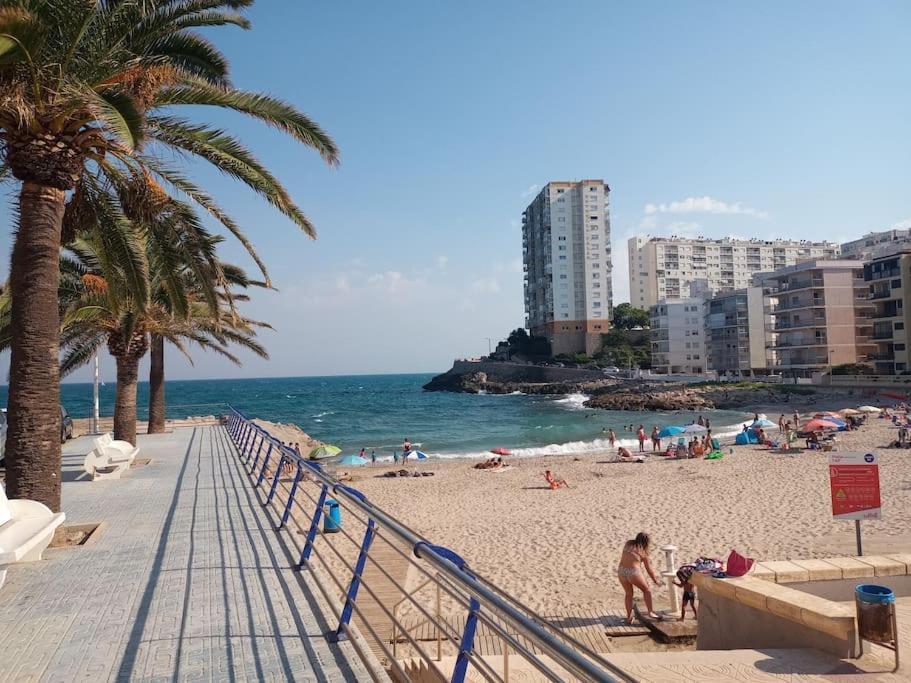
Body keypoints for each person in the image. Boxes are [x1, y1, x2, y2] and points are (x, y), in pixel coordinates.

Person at [618, 532, 662, 624]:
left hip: (621, 571)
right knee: (647, 590)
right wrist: (655, 580)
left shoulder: (628, 543)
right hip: (633, 572)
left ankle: (629, 617)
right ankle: (651, 612)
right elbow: (649, 570)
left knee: (629, 594)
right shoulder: (643, 552)